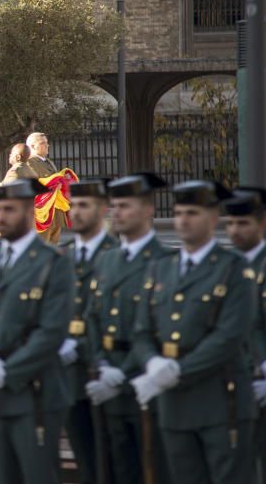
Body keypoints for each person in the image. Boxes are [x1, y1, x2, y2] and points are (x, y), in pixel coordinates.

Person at [132, 180, 255, 484]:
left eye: (193, 213)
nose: (183, 220)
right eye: (179, 212)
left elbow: (228, 337)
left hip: (220, 403)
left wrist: (175, 371)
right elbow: (141, 330)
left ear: (214, 218)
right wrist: (152, 363)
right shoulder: (161, 268)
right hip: (174, 406)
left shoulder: (234, 268)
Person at [0, 179, 73, 484]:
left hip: (35, 394)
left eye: (9, 210)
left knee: (36, 475)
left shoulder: (53, 263)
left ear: (27, 211)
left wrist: (4, 372)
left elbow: (51, 332)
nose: (0, 217)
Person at [84, 172, 172, 484]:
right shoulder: (106, 260)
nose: (116, 212)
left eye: (125, 206)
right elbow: (92, 317)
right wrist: (100, 363)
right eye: (114, 206)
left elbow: (159, 327)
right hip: (108, 381)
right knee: (117, 470)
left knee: (154, 470)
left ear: (148, 210)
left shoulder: (166, 260)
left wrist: (123, 373)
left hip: (146, 381)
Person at [58, 180, 117, 484]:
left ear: (103, 210)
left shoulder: (116, 255)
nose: (76, 212)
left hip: (108, 374)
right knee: (85, 464)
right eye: (73, 205)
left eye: (85, 205)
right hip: (70, 379)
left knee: (112, 465)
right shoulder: (62, 258)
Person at [222, 187, 266, 484]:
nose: (235, 231)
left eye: (244, 223)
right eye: (231, 223)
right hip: (236, 382)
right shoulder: (224, 266)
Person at [25, 132, 63, 244]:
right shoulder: (29, 162)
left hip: (54, 210)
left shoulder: (47, 161)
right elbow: (32, 185)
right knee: (42, 246)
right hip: (42, 213)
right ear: (32, 146)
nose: (47, 145)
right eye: (43, 143)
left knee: (53, 247)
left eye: (47, 142)